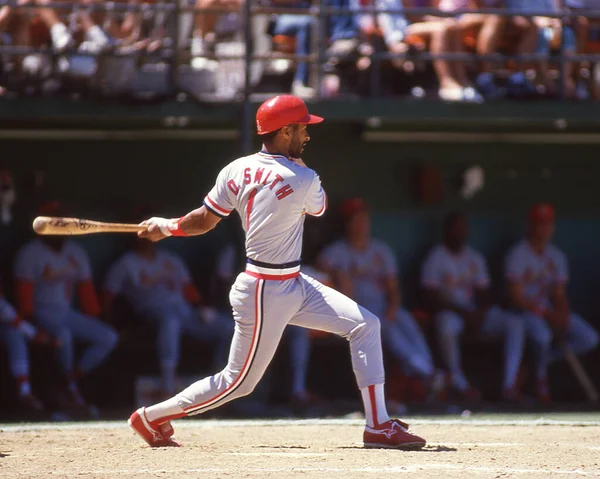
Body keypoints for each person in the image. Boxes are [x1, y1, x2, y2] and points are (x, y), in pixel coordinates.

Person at [127, 94, 426, 450]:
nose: (307, 136)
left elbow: (203, 220)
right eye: (301, 129)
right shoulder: (304, 177)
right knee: (238, 383)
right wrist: (168, 226)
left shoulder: (235, 168)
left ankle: (378, 424)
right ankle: (152, 416)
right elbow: (317, 209)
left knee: (366, 324)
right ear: (284, 131)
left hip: (291, 282)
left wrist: (167, 226)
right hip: (264, 290)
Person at [319, 198, 443, 404]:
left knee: (407, 322)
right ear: (347, 224)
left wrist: (393, 308)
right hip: (356, 312)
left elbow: (393, 287)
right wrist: (335, 273)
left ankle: (429, 371)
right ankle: (429, 374)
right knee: (386, 328)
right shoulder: (334, 253)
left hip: (383, 307)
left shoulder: (380, 250)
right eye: (356, 220)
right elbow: (319, 281)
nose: (361, 225)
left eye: (364, 220)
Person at [14, 201, 119, 410]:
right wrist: (32, 324)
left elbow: (87, 295)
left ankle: (70, 378)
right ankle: (70, 389)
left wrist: (97, 316)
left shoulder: (75, 252)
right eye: (54, 220)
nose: (59, 225)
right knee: (64, 337)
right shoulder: (29, 253)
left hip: (66, 312)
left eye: (62, 220)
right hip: (41, 312)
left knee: (108, 336)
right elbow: (23, 298)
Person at [104, 230, 233, 397]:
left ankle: (222, 378)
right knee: (170, 321)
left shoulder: (170, 259)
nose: (148, 239)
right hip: (151, 314)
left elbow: (189, 290)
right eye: (143, 235)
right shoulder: (126, 263)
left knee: (228, 326)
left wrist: (202, 307)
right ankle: (168, 382)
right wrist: (110, 320)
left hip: (185, 312)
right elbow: (108, 295)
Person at [421, 212, 526, 400]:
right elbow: (430, 296)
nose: (460, 233)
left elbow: (484, 291)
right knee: (446, 325)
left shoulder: (473, 257)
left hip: (474, 313)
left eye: (463, 229)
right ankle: (458, 381)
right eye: (455, 229)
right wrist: (465, 313)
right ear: (446, 231)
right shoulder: (436, 258)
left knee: (515, 323)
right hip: (451, 313)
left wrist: (480, 312)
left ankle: (509, 385)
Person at [505, 203, 599, 403]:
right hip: (526, 312)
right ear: (530, 226)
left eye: (547, 223)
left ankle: (539, 363)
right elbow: (517, 298)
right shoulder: (518, 254)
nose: (543, 228)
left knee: (589, 338)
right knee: (543, 336)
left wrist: (562, 313)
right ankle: (540, 382)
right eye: (539, 223)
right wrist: (547, 314)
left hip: (549, 310)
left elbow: (559, 293)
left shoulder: (556, 256)